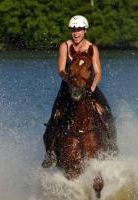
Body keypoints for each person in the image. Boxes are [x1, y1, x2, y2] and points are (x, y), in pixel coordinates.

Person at [41, 15, 117, 168]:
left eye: (79, 30)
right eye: (73, 30)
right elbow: (61, 70)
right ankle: (51, 153)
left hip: (89, 87)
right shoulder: (65, 46)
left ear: (85, 31)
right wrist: (71, 83)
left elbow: (98, 72)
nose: (76, 33)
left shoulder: (92, 48)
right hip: (68, 86)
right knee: (55, 116)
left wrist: (94, 85)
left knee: (106, 111)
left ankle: (112, 146)